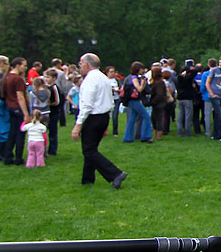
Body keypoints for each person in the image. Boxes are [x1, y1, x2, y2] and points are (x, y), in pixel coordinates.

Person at [71, 54, 127, 188]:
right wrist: (106, 123)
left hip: (94, 117)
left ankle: (115, 174)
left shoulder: (90, 80)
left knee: (89, 150)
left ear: (86, 64)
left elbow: (87, 105)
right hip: (102, 117)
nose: (79, 67)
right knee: (91, 149)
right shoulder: (103, 78)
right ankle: (88, 179)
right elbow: (110, 102)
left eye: (80, 64)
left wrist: (78, 125)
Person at [2, 57, 30, 166]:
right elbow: (20, 97)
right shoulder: (17, 79)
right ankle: (18, 158)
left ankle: (8, 157)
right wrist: (26, 114)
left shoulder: (7, 77)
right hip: (19, 107)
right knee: (20, 134)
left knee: (12, 133)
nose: (25, 68)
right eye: (24, 65)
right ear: (18, 65)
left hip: (11, 107)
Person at [122, 62, 153, 143]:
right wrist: (142, 83)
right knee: (146, 116)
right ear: (138, 69)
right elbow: (139, 89)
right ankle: (145, 136)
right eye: (141, 69)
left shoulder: (132, 77)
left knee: (132, 119)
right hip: (134, 101)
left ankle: (128, 138)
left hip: (132, 100)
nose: (143, 70)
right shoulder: (134, 78)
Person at [0, 55, 11, 161]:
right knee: (1, 129)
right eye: (7, 64)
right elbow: (0, 92)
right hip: (0, 106)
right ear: (1, 64)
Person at [175, 59, 197, 137]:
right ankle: (188, 132)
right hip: (187, 98)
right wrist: (189, 71)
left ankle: (179, 132)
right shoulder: (188, 79)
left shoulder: (178, 78)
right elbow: (195, 72)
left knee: (180, 116)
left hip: (180, 98)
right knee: (188, 116)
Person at [43, 69, 62, 155]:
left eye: (48, 77)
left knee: (53, 132)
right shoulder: (46, 87)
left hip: (53, 112)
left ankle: (53, 150)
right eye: (45, 77)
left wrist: (48, 104)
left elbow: (57, 101)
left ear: (54, 78)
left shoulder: (54, 87)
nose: (46, 79)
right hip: (47, 112)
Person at [149, 66, 167, 142]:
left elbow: (159, 94)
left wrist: (153, 101)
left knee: (158, 118)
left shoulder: (159, 83)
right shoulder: (158, 82)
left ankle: (158, 135)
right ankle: (156, 134)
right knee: (154, 118)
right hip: (158, 102)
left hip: (158, 103)